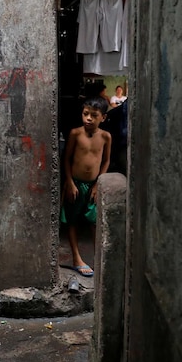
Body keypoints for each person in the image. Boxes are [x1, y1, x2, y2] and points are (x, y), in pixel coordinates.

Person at [60, 96, 112, 277]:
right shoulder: (75, 133)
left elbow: (106, 161)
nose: (88, 118)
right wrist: (70, 182)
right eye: (85, 114)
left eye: (94, 115)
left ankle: (100, 258)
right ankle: (76, 258)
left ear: (103, 118)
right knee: (71, 220)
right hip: (75, 184)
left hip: (93, 185)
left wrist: (99, 183)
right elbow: (66, 159)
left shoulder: (106, 137)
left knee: (93, 221)